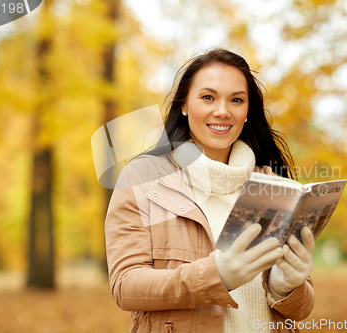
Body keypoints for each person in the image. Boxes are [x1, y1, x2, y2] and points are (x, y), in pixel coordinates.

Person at [105, 48, 315, 333]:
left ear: (247, 112)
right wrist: (215, 276)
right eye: (208, 97)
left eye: (236, 100)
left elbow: (301, 310)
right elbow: (126, 285)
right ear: (184, 105)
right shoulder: (144, 178)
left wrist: (286, 287)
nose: (222, 111)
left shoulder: (275, 185)